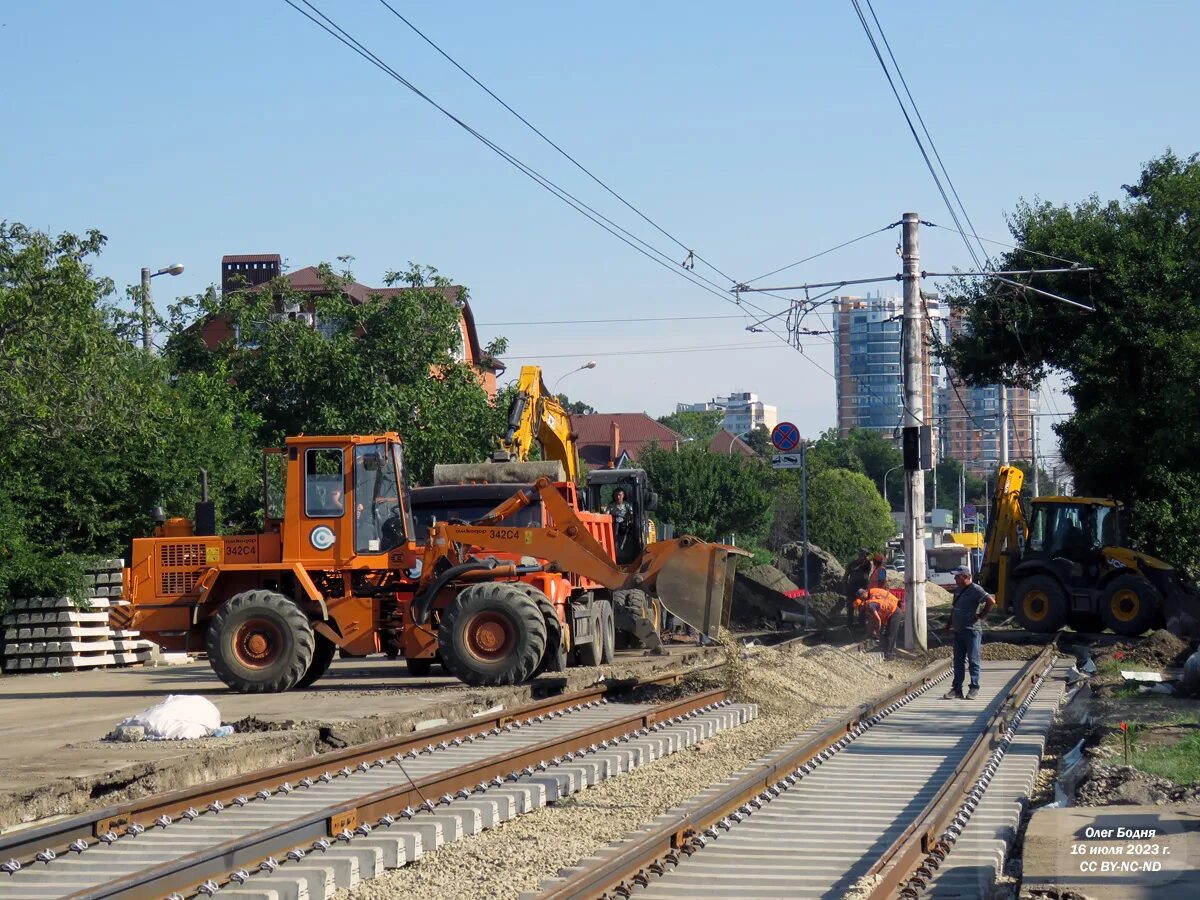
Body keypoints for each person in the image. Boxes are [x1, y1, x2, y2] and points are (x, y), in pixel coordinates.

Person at [944, 567, 995, 700]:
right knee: (958, 661)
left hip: (971, 631)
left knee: (973, 660)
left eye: (957, 576)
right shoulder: (958, 590)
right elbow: (954, 608)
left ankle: (974, 688)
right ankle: (957, 689)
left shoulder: (976, 589)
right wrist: (949, 624)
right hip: (958, 631)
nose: (955, 579)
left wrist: (982, 615)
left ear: (965, 576)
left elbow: (991, 601)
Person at [845, 549, 871, 630]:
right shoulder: (852, 564)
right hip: (852, 588)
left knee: (862, 608)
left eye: (866, 556)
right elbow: (845, 576)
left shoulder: (867, 564)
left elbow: (868, 570)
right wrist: (845, 588)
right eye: (863, 555)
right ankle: (849, 626)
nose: (865, 557)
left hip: (862, 590)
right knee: (850, 608)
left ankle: (862, 626)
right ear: (860, 555)